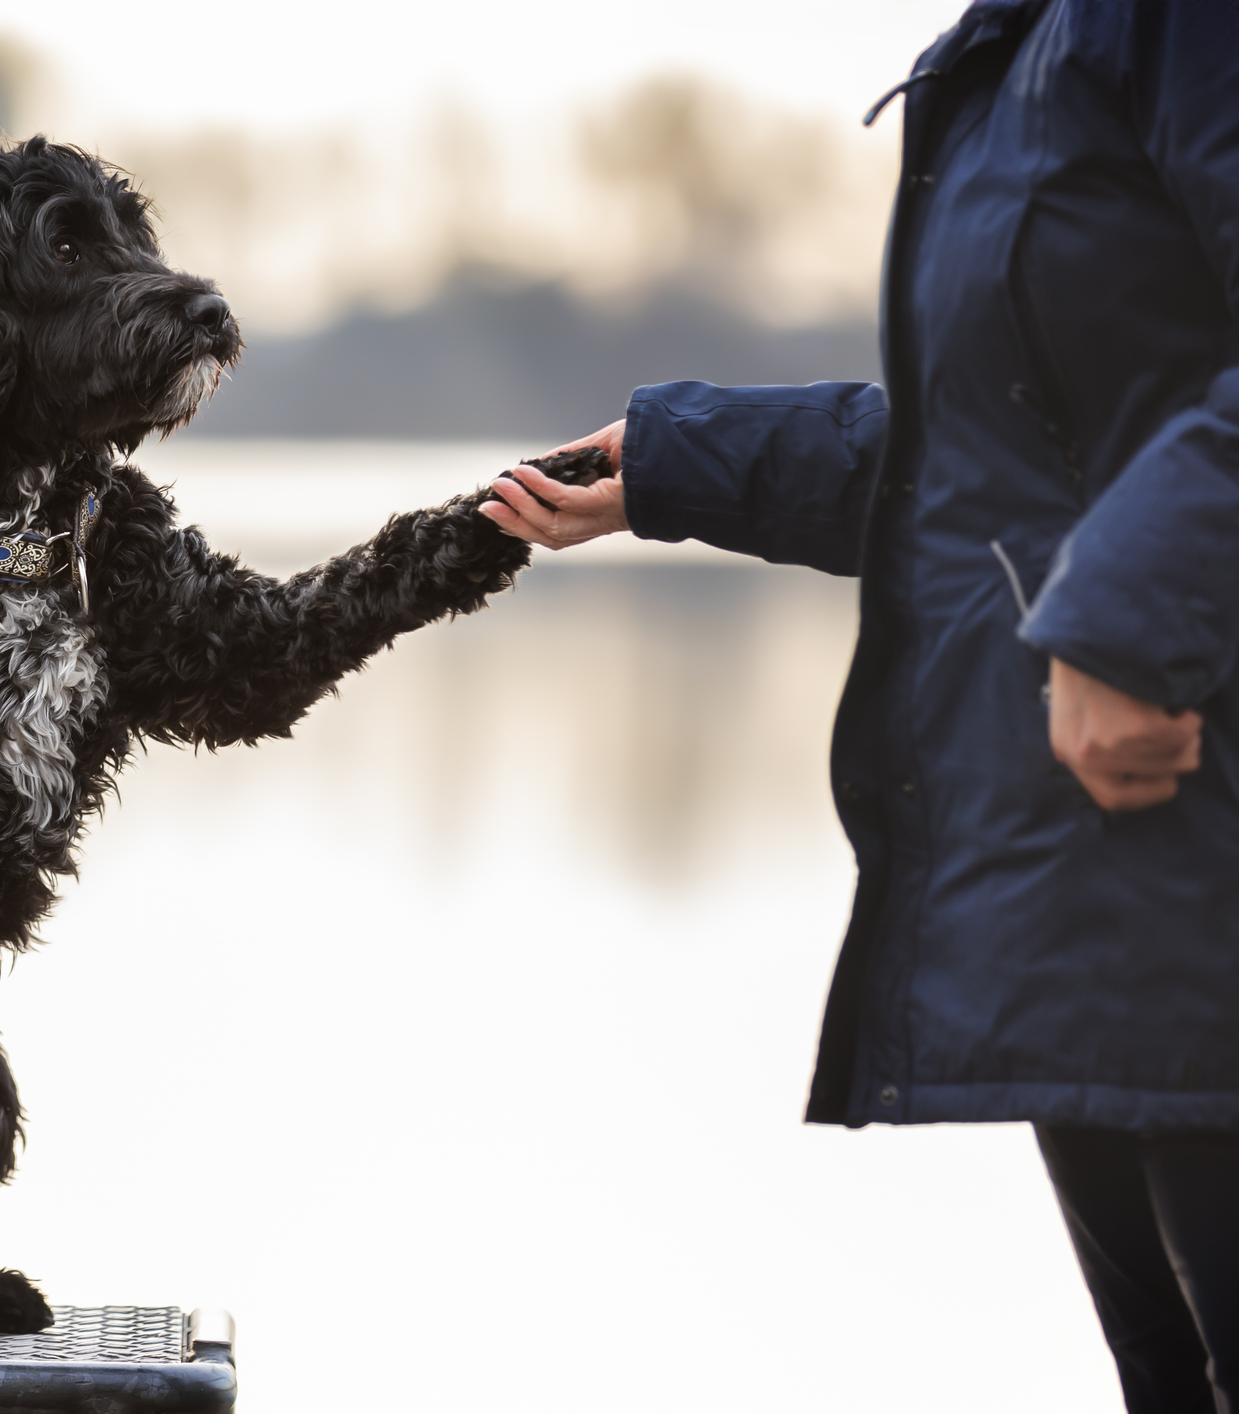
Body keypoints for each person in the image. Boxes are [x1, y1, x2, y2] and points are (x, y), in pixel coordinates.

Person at [481, 3, 1239, 1409]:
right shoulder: (1024, 47)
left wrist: (1128, 622)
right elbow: (1009, 454)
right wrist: (679, 462)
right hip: (1097, 868)